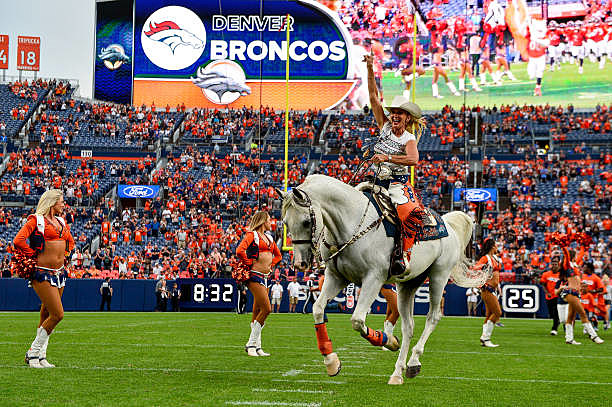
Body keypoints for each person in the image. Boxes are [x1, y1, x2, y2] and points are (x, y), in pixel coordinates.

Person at [364, 52, 425, 275]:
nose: (395, 116)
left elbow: (413, 159)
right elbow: (373, 96)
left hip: (397, 185)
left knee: (406, 212)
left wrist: (386, 157)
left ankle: (401, 254)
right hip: (374, 180)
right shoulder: (385, 126)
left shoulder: (408, 138)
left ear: (408, 118)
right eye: (394, 112)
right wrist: (370, 68)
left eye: (400, 113)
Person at [12, 189, 75, 368]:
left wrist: (67, 253)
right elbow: (18, 240)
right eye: (61, 201)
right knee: (58, 314)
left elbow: (70, 241)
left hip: (60, 272)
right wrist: (32, 255)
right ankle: (32, 351)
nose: (63, 204)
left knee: (46, 314)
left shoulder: (61, 221)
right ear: (52, 202)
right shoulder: (36, 220)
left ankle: (40, 356)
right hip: (42, 272)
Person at [235, 210, 281, 356]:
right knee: (267, 309)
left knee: (257, 311)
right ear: (262, 221)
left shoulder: (269, 238)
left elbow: (278, 256)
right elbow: (239, 250)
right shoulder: (252, 235)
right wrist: (248, 262)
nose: (270, 222)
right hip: (254, 275)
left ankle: (258, 347)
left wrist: (271, 265)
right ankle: (250, 344)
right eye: (268, 220)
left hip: (266, 276)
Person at [552, 246, 603, 345]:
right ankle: (594, 336)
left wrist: (584, 244)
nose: (577, 256)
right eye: (575, 255)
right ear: (572, 256)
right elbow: (566, 254)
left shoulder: (574, 264)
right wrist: (563, 246)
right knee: (583, 313)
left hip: (576, 293)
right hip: (570, 292)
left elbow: (582, 253)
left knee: (570, 317)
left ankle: (569, 339)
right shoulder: (567, 265)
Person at [475, 238, 502, 347]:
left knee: (489, 314)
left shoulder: (494, 258)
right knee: (497, 313)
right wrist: (481, 282)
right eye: (495, 245)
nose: (497, 247)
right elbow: (476, 268)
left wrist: (498, 286)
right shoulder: (485, 258)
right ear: (492, 247)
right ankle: (485, 338)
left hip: (493, 289)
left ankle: (485, 339)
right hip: (487, 289)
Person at [539, 265, 560, 335]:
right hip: (549, 296)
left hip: (558, 296)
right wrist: (547, 292)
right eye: (553, 263)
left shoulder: (561, 274)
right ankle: (557, 322)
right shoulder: (546, 274)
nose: (554, 266)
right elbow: (543, 284)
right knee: (551, 313)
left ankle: (554, 328)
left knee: (556, 312)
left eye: (556, 264)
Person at [380, 284, 399, 350]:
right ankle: (388, 341)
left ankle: (384, 340)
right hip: (387, 284)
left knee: (390, 313)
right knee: (396, 311)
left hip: (394, 284)